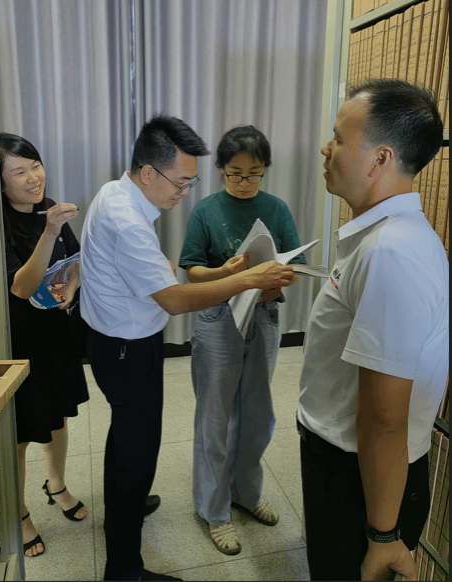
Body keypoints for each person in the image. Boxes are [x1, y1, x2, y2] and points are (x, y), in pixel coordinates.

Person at [80, 115, 296, 582]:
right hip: (126, 349)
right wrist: (248, 278)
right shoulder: (128, 220)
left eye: (191, 182)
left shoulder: (115, 193)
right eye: (181, 182)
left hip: (117, 342)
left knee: (128, 442)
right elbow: (176, 299)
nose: (185, 192)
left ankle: (128, 504)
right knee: (138, 454)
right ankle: (125, 571)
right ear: (148, 172)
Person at [296, 79, 448, 581]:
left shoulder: (391, 252)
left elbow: (385, 418)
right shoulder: (381, 239)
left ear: (381, 158)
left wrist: (382, 535)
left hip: (359, 482)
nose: (327, 148)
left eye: (339, 139)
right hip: (349, 467)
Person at [178, 125, 305, 555]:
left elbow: (295, 265)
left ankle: (246, 493)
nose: (245, 182)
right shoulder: (206, 210)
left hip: (264, 318)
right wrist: (226, 274)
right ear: (221, 169)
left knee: (257, 415)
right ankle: (214, 511)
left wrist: (278, 280)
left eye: (254, 174)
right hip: (218, 319)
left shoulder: (277, 208)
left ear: (265, 169)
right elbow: (192, 270)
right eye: (235, 174)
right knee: (214, 417)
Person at [0, 133, 89, 558]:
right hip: (19, 343)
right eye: (19, 171)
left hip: (55, 335)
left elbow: (74, 260)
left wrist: (71, 284)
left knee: (57, 418)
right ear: (0, 183)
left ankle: (56, 485)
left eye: (35, 165)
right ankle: (18, 512)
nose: (34, 177)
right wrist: (50, 230)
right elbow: (21, 286)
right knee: (20, 434)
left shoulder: (49, 208)